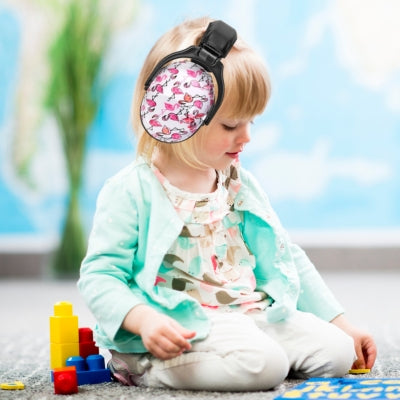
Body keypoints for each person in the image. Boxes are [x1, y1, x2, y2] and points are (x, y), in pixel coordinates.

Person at [78, 16, 376, 392]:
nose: (247, 137)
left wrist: (341, 323)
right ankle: (144, 368)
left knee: (338, 353)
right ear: (176, 115)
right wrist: (143, 320)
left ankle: (251, 351)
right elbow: (100, 276)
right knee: (264, 366)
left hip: (250, 315)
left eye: (250, 123)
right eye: (231, 125)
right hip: (181, 325)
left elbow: (288, 255)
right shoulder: (131, 190)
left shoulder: (238, 182)